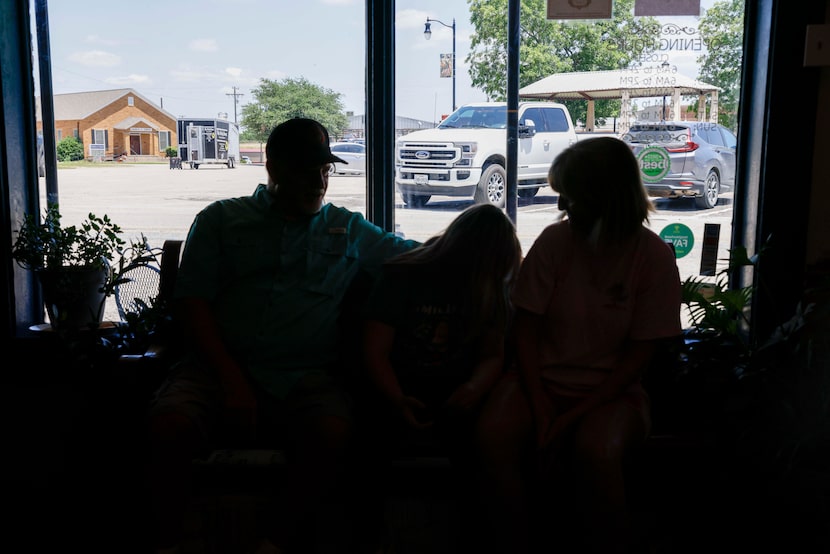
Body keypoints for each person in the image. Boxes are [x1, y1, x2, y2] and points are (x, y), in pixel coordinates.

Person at [145, 117, 418, 554]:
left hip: (304, 376)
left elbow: (415, 255)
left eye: (325, 169)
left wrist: (484, 243)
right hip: (215, 369)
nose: (319, 180)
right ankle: (170, 544)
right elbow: (191, 304)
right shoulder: (220, 220)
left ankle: (272, 543)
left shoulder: (348, 229)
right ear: (272, 167)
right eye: (306, 168)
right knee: (169, 426)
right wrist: (232, 381)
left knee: (331, 433)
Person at [475, 137, 682, 554]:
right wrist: (541, 404)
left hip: (614, 394)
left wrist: (571, 417)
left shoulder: (654, 258)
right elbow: (525, 332)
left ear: (603, 197)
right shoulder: (555, 243)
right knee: (490, 435)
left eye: (570, 197)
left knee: (597, 451)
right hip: (537, 381)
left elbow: (638, 360)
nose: (562, 207)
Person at [358, 203, 522, 549]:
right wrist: (394, 397)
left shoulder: (491, 287)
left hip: (455, 394)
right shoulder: (404, 276)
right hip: (394, 388)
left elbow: (493, 355)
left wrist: (474, 389)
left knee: (482, 458)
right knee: (366, 453)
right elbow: (374, 352)